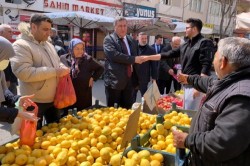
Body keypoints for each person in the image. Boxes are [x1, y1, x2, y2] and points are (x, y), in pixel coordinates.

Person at [173, 37, 250, 166]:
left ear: (223, 62)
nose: (212, 60)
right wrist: (189, 79)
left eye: (215, 56)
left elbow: (223, 143)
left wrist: (187, 140)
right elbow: (210, 83)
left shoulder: (241, 97)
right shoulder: (233, 80)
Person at [10, 14, 70, 129]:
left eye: (49, 29)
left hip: (53, 98)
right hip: (33, 101)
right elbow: (23, 73)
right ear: (33, 27)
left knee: (56, 133)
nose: (49, 33)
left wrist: (62, 67)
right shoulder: (20, 45)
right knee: (33, 136)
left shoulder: (48, 44)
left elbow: (57, 62)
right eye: (45, 29)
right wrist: (55, 71)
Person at [141, 18, 214, 110]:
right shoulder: (186, 44)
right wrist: (148, 57)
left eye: (187, 28)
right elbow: (168, 54)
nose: (185, 30)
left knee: (191, 114)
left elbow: (206, 65)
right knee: (186, 111)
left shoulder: (204, 42)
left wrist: (199, 87)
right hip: (186, 84)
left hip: (196, 86)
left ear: (194, 29)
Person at [103, 16, 144, 109]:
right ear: (115, 27)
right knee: (113, 111)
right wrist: (133, 59)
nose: (123, 28)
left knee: (127, 109)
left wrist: (137, 79)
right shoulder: (109, 39)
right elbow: (113, 55)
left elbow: (136, 57)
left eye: (125, 26)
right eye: (120, 26)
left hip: (129, 81)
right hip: (114, 82)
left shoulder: (130, 40)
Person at [0, 36, 38, 124]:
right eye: (5, 57)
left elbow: (4, 91)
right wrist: (18, 113)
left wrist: (16, 100)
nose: (7, 61)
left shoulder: (0, 71)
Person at [60, 38, 104, 110]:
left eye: (82, 48)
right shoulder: (63, 58)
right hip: (68, 93)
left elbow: (101, 68)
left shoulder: (88, 59)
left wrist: (93, 77)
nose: (80, 51)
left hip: (84, 93)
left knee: (83, 115)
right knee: (68, 116)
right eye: (77, 49)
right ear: (71, 48)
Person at [132, 32, 157, 101]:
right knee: (132, 96)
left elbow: (154, 65)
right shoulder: (133, 48)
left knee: (144, 98)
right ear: (138, 38)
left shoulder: (151, 49)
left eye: (145, 38)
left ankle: (144, 110)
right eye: (142, 38)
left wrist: (154, 78)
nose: (144, 40)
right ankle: (131, 110)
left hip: (144, 77)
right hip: (133, 76)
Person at [0, 24, 18, 95]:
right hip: (6, 81)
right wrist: (7, 80)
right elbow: (3, 65)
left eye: (12, 32)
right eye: (9, 32)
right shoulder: (2, 46)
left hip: (11, 80)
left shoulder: (7, 45)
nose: (12, 34)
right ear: (1, 33)